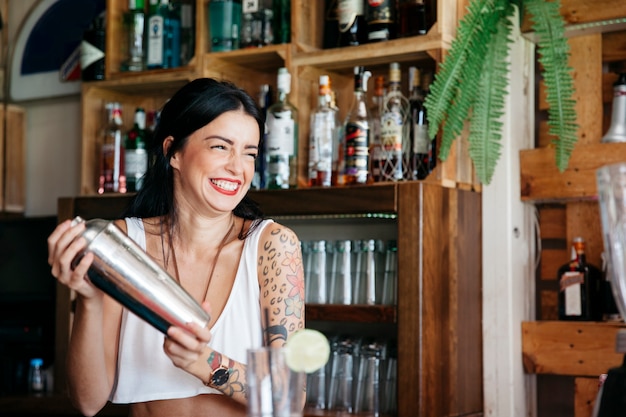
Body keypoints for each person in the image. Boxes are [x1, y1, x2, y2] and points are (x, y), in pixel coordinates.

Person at [47, 78, 306, 417]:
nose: (237, 167)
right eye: (220, 147)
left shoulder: (272, 246)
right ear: (174, 152)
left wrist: (204, 363)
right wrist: (89, 299)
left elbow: (291, 395)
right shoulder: (123, 246)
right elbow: (88, 401)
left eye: (249, 153)